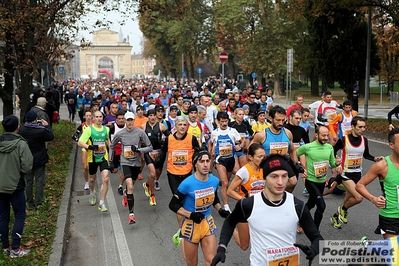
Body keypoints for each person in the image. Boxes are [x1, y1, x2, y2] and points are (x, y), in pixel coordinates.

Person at [211, 154, 323, 266]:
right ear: (264, 178)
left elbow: (317, 238)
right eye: (274, 176)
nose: (280, 182)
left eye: (284, 176)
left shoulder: (297, 205)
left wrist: (313, 250)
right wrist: (222, 248)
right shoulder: (249, 204)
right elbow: (229, 222)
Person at [168, 148, 230, 266]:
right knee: (192, 263)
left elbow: (214, 197)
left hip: (206, 222)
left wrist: (219, 209)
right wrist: (191, 215)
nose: (206, 164)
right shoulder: (187, 184)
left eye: (208, 161)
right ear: (195, 164)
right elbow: (172, 205)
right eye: (202, 161)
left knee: (211, 261)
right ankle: (182, 237)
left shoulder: (214, 181)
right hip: (191, 224)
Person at [330, 116, 384, 229]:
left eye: (364, 127)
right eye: (360, 127)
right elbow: (332, 151)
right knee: (359, 198)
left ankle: (336, 216)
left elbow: (366, 155)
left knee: (348, 200)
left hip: (357, 174)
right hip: (345, 174)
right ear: (353, 126)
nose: (363, 129)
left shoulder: (364, 140)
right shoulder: (344, 139)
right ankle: (343, 209)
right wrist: (337, 164)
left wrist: (375, 158)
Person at [160, 116, 200, 246]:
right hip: (173, 174)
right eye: (180, 124)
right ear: (175, 126)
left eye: (184, 124)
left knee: (187, 201)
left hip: (187, 174)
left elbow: (198, 154)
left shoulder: (191, 138)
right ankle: (182, 228)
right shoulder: (169, 138)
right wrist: (157, 163)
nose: (182, 127)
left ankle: (187, 225)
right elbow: (162, 153)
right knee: (178, 202)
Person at [109, 112, 153, 224]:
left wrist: (139, 150)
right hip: (125, 162)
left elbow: (150, 147)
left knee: (131, 186)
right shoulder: (120, 134)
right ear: (124, 121)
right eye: (127, 120)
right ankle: (131, 215)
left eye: (131, 120)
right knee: (130, 186)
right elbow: (111, 146)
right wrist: (111, 161)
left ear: (134, 121)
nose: (129, 122)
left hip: (136, 163)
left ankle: (125, 193)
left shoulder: (140, 132)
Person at [356, 128, 399, 239]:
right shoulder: (382, 166)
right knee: (394, 255)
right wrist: (373, 199)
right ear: (391, 145)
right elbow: (359, 185)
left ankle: (370, 246)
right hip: (391, 216)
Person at [296, 125, 341, 230]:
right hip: (311, 181)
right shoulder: (308, 147)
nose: (325, 138)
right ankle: (315, 232)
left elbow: (332, 163)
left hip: (321, 182)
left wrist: (337, 163)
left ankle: (299, 220)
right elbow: (294, 154)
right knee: (321, 205)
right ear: (316, 135)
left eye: (327, 135)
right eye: (323, 135)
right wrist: (300, 168)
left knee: (311, 204)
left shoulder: (329, 147)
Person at [0, 115, 33, 258]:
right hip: (15, 185)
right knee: (20, 215)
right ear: (17, 127)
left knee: (2, 216)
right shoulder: (21, 144)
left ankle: (5, 246)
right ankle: (15, 247)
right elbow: (27, 167)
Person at [251, 105, 300, 193]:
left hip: (283, 163)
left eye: (283, 120)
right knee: (269, 187)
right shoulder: (261, 135)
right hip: (267, 164)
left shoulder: (288, 133)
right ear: (270, 118)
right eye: (278, 120)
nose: (281, 123)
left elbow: (292, 150)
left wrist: (296, 163)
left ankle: (281, 199)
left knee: (293, 182)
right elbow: (250, 151)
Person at [226, 143, 266, 250]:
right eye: (259, 156)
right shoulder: (244, 171)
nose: (262, 159)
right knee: (244, 246)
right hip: (244, 209)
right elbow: (229, 191)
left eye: (264, 156)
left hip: (260, 209)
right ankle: (231, 228)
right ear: (250, 157)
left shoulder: (265, 169)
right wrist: (245, 200)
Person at [18, 111, 54, 209]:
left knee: (28, 181)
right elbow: (50, 137)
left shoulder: (22, 130)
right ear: (36, 119)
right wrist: (47, 127)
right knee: (39, 181)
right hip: (39, 158)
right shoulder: (41, 130)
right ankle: (39, 202)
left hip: (26, 158)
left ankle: (29, 202)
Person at [78, 111, 111, 212]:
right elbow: (80, 142)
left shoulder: (106, 129)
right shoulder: (89, 130)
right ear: (94, 118)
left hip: (103, 157)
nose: (99, 119)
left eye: (100, 117)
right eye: (96, 117)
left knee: (105, 179)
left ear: (102, 118)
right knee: (92, 179)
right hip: (92, 158)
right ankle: (92, 193)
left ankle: (101, 203)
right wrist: (90, 147)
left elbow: (107, 140)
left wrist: (113, 155)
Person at [209, 111, 242, 212]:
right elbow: (211, 143)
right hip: (220, 159)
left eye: (226, 121)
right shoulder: (215, 133)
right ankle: (226, 207)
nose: (224, 123)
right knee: (224, 182)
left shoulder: (233, 131)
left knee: (229, 181)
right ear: (218, 122)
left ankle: (229, 193)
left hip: (231, 158)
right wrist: (211, 153)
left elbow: (241, 141)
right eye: (222, 121)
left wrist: (239, 146)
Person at [140, 109, 168, 205]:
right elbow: (139, 139)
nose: (152, 117)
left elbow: (170, 137)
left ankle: (148, 184)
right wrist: (141, 151)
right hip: (148, 152)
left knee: (158, 171)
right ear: (147, 117)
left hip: (159, 152)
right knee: (152, 173)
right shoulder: (143, 126)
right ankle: (152, 196)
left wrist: (163, 142)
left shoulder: (161, 126)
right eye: (150, 115)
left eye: (154, 115)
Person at [109, 111, 126, 196]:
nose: (121, 120)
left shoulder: (128, 127)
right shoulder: (112, 127)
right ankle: (116, 166)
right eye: (119, 119)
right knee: (114, 171)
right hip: (115, 150)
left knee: (123, 169)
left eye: (122, 118)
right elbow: (109, 142)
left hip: (124, 149)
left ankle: (120, 186)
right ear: (116, 120)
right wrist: (110, 159)